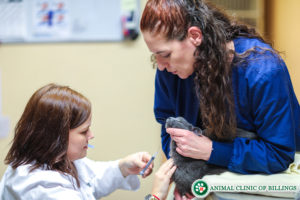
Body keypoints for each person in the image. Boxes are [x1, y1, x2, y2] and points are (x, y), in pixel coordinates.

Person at [140, 0, 300, 194]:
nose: (161, 65)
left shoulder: (263, 70)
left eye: (164, 54)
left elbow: (279, 154)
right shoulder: (169, 72)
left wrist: (211, 150)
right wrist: (184, 177)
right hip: (206, 182)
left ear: (195, 36)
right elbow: (169, 129)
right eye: (154, 55)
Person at [0, 83, 176, 200]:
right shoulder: (39, 188)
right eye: (84, 131)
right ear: (56, 135)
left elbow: (92, 179)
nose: (91, 135)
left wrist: (123, 167)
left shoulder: (55, 160)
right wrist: (157, 196)